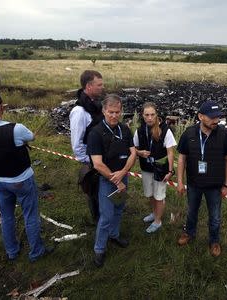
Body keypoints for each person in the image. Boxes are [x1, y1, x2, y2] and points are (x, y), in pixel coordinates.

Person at [0, 90, 52, 262]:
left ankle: (12, 251)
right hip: (21, 179)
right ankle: (36, 252)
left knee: (6, 217)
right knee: (30, 215)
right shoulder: (16, 129)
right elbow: (32, 137)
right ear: (2, 107)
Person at [176, 100, 227, 257]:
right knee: (191, 211)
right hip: (194, 184)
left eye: (218, 117)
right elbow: (181, 158)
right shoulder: (188, 134)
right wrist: (180, 182)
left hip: (215, 186)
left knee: (215, 216)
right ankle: (189, 233)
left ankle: (214, 241)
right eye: (212, 117)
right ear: (200, 116)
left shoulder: (224, 135)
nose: (216, 120)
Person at [86, 94, 137, 267]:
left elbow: (133, 153)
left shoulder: (125, 129)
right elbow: (98, 164)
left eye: (117, 112)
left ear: (121, 111)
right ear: (103, 111)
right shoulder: (96, 133)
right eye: (110, 112)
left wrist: (123, 172)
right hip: (106, 180)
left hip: (123, 177)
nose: (114, 115)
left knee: (119, 208)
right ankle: (99, 249)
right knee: (106, 216)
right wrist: (116, 180)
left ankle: (114, 236)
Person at [133, 102, 177, 233]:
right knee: (150, 194)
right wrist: (139, 153)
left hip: (160, 170)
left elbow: (170, 152)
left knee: (159, 196)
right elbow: (133, 148)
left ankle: (158, 221)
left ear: (156, 115)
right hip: (146, 167)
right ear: (142, 115)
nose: (150, 118)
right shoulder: (140, 130)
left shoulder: (165, 130)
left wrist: (170, 170)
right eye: (147, 115)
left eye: (152, 114)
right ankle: (154, 213)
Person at [69, 70, 104, 222]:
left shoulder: (95, 106)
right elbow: (77, 143)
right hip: (92, 161)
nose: (103, 87)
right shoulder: (79, 112)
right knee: (95, 193)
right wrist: (89, 161)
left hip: (102, 158)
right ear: (89, 86)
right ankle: (99, 221)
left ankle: (105, 215)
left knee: (103, 191)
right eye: (99, 85)